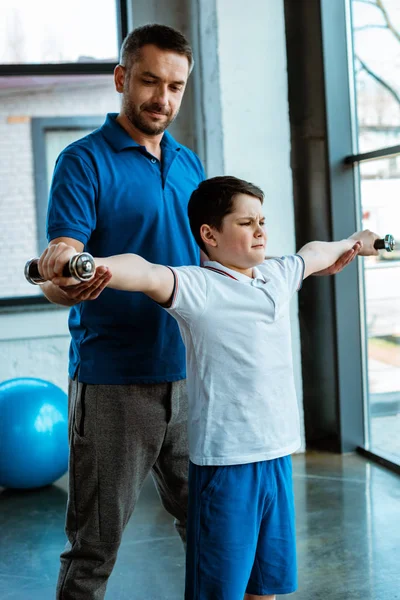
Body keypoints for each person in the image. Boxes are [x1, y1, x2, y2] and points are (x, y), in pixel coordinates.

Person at [38, 175, 380, 600]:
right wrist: (82, 263)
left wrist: (353, 241)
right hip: (226, 466)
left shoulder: (275, 274)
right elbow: (143, 271)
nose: (260, 231)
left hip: (276, 458)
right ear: (209, 234)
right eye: (245, 223)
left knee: (265, 588)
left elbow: (313, 253)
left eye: (262, 221)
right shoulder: (198, 287)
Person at [40, 24, 206, 599]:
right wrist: (64, 269)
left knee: (211, 533)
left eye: (176, 86)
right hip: (113, 386)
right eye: (150, 81)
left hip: (191, 374)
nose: (163, 98)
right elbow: (62, 260)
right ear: (121, 78)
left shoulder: (190, 165)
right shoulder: (82, 162)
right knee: (93, 550)